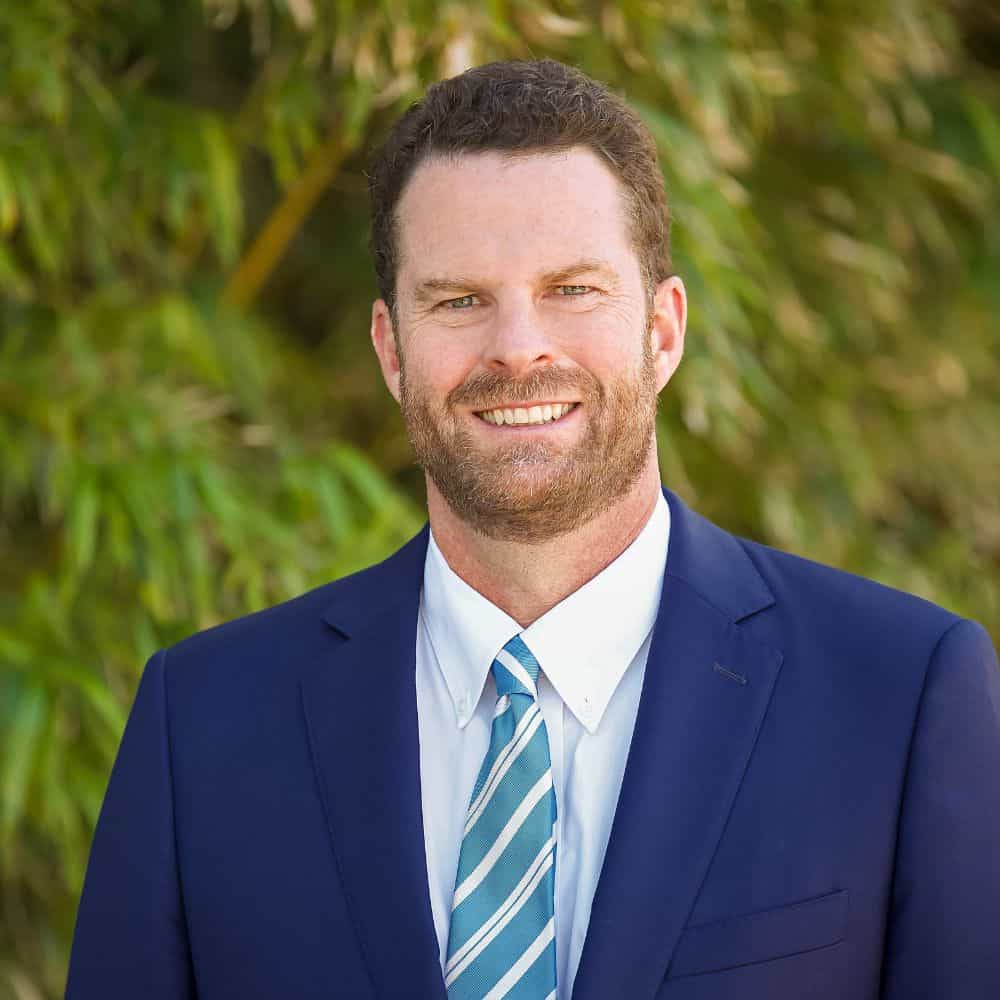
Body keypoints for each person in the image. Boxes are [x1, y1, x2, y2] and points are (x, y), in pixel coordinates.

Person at [66, 59, 1000, 1000]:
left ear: (664, 331)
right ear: (392, 349)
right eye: (460, 300)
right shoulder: (206, 724)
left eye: (573, 289)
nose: (517, 348)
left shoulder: (902, 697)